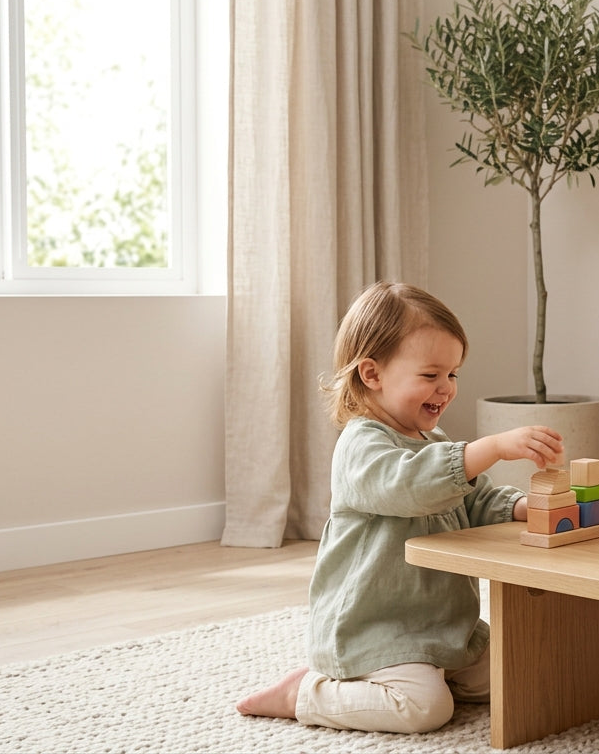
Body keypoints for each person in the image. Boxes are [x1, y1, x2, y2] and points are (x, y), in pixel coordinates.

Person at [236, 281, 564, 734]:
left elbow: (474, 497)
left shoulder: (434, 440)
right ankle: (305, 694)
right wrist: (490, 447)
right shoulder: (361, 444)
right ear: (372, 374)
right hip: (378, 631)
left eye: (453, 374)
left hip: (445, 629)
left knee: (524, 672)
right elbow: (408, 486)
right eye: (430, 375)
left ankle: (443, 672)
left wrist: (524, 506)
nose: (446, 388)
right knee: (425, 709)